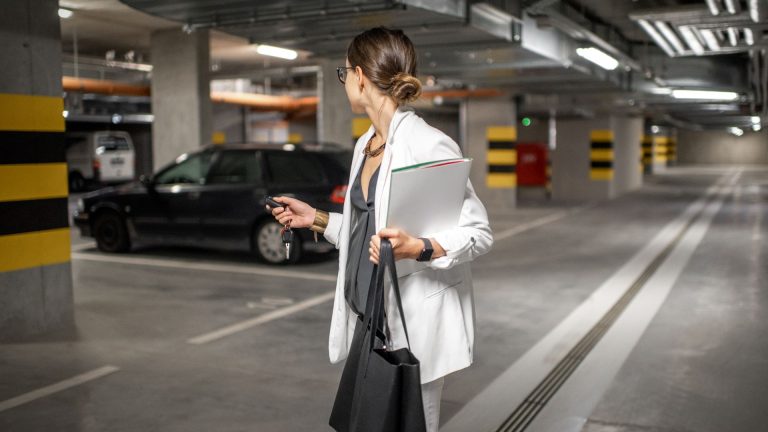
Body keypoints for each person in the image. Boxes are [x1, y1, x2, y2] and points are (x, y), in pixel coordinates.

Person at [267, 26, 493, 432]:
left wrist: (418, 247)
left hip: (412, 328)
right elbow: (365, 230)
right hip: (369, 320)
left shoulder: (428, 145)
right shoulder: (367, 144)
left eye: (344, 73)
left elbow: (478, 233)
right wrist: (315, 218)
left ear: (358, 76)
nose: (345, 83)